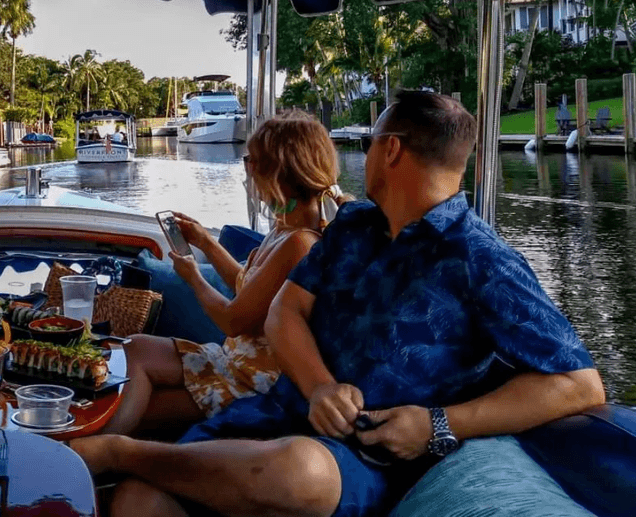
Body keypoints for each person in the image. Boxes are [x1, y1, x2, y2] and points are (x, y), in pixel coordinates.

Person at [71, 91, 605, 517]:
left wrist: (440, 424)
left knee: (301, 471)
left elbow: (580, 385)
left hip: (361, 456)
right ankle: (134, 468)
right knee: (137, 502)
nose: (364, 155)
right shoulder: (352, 228)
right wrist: (319, 385)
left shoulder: (480, 259)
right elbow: (285, 312)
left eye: (372, 143)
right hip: (274, 413)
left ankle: (121, 453)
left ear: (391, 150)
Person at [89, 113, 350, 436]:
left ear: (277, 173)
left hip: (253, 383)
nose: (248, 170)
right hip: (232, 361)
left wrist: (194, 277)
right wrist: (205, 241)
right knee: (134, 348)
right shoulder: (285, 228)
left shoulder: (301, 243)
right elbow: (249, 288)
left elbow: (234, 320)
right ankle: (101, 453)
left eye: (251, 161)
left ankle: (99, 459)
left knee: (143, 405)